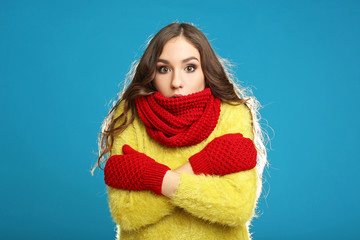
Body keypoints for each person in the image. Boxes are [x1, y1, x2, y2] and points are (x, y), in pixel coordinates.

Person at [93, 22, 268, 240]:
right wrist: (203, 166)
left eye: (190, 67)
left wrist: (153, 177)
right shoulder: (129, 115)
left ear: (206, 71)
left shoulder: (232, 113)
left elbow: (237, 207)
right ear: (152, 73)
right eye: (164, 69)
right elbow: (127, 212)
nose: (177, 82)